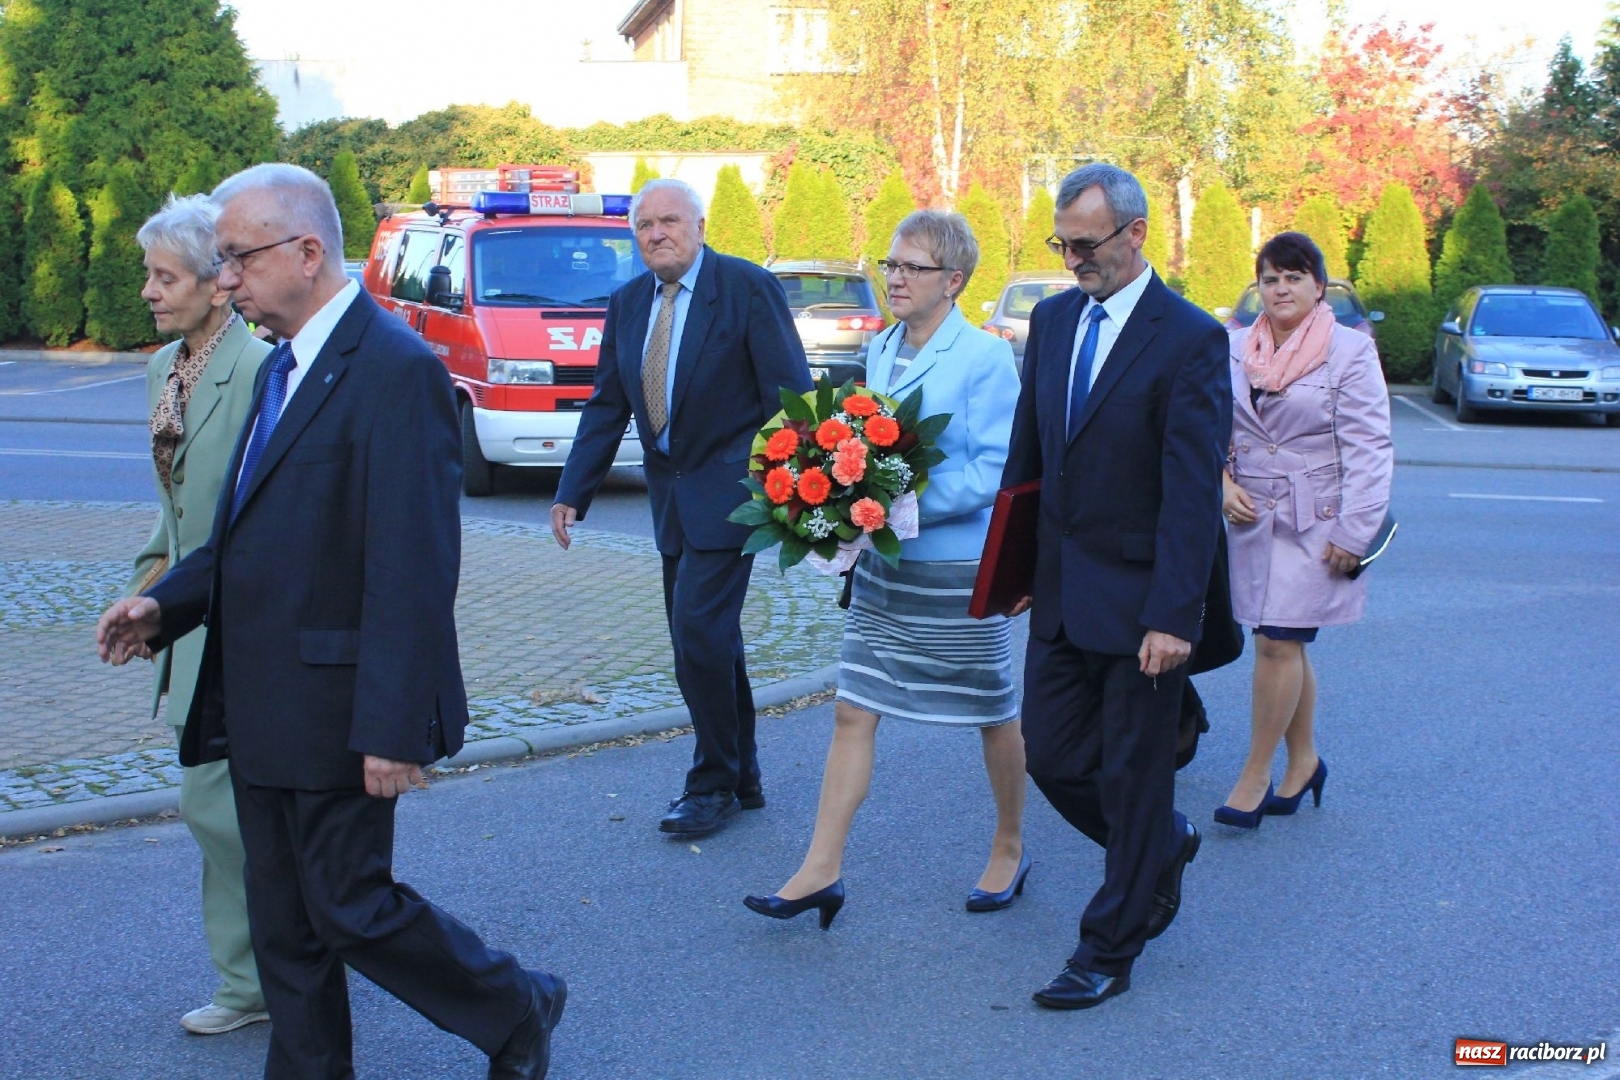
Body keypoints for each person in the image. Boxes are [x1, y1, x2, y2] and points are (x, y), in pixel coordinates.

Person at [96, 164, 564, 1080]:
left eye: (238, 259)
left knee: (349, 908)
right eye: (222, 263)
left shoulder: (396, 372)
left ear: (307, 253)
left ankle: (516, 1004)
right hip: (259, 698)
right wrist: (169, 604)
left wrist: (393, 729)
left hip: (343, 705)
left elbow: (413, 569)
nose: (225, 280)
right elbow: (247, 532)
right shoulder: (281, 365)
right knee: (283, 921)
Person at [743, 210, 1025, 929]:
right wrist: (844, 503)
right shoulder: (882, 349)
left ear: (953, 281)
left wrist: (896, 501)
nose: (894, 278)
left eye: (912, 267)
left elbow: (997, 471)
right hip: (883, 571)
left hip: (957, 574)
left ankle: (1009, 844)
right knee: (851, 707)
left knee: (991, 713)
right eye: (890, 264)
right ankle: (821, 869)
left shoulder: (985, 358)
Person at [1001, 163, 1230, 1010]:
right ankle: (1157, 850)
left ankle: (1109, 947)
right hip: (1060, 595)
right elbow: (1032, 457)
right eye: (1061, 244)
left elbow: (1192, 490)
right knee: (1053, 756)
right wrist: (1017, 568)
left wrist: (1177, 613)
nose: (1072, 260)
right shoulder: (1054, 321)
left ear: (1136, 233)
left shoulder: (1191, 338)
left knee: (1135, 779)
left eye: (1086, 244)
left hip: (1144, 608)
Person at [551, 178, 812, 838]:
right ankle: (743, 773)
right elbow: (608, 404)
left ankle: (712, 784)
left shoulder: (746, 288)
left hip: (736, 498)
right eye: (645, 225)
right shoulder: (630, 301)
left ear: (698, 225)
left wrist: (789, 491)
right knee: (709, 642)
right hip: (669, 500)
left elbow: (790, 397)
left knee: (697, 639)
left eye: (670, 221)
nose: (657, 234)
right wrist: (571, 492)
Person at [123, 193, 271, 1036]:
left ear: (219, 282)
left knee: (217, 808)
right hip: (188, 614)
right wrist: (149, 579)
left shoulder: (258, 370)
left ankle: (286, 964)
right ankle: (251, 982)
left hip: (239, 617)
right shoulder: (162, 367)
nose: (148, 289)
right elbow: (175, 505)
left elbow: (246, 509)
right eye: (148, 273)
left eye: (164, 274)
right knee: (214, 805)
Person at [1215, 231, 1393, 827]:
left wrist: (1355, 531)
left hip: (1317, 524)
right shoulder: (1233, 347)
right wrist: (1220, 480)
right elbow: (1207, 424)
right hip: (1250, 516)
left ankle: (1254, 773)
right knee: (1282, 643)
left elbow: (1370, 447)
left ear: (1319, 286)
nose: (1281, 288)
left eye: (1294, 277)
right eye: (1270, 278)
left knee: (1275, 642)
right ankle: (1305, 759)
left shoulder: (1349, 351)